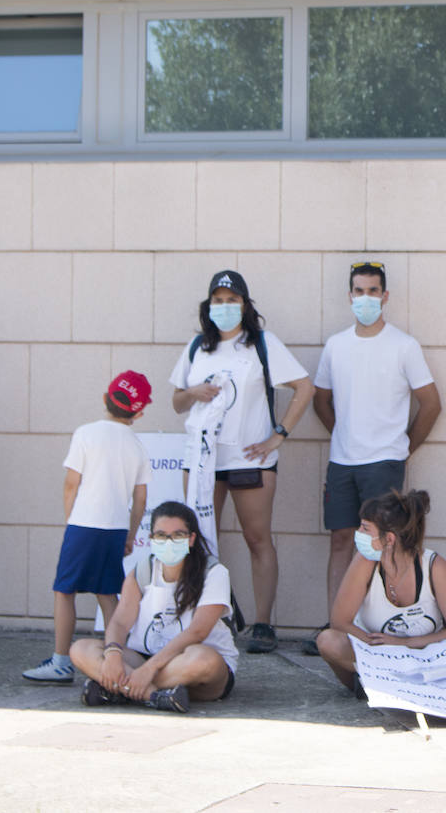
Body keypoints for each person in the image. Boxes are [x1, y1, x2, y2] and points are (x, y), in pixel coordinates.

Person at [169, 270, 313, 654]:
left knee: (256, 538)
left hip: (250, 458)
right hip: (202, 459)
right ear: (208, 305)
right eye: (218, 300)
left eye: (232, 300)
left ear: (245, 306)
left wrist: (278, 434)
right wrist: (193, 392)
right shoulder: (197, 346)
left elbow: (304, 387)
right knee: (199, 540)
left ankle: (263, 623)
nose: (225, 307)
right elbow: (176, 401)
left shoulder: (262, 344)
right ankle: (206, 617)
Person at [308, 262, 441, 652]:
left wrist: (403, 448)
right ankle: (338, 625)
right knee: (340, 542)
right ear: (349, 296)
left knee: (385, 544)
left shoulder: (404, 345)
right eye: (358, 291)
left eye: (373, 291)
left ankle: (384, 623)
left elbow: (431, 404)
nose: (365, 298)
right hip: (342, 461)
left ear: (385, 297)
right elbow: (321, 399)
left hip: (384, 462)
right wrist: (343, 435)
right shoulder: (336, 345)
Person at [23, 371, 153, 684]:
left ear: (106, 398)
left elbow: (71, 484)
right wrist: (131, 535)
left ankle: (61, 661)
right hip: (115, 529)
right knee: (108, 594)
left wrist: (71, 520)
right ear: (139, 412)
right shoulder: (137, 445)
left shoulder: (85, 433)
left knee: (64, 590)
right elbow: (140, 498)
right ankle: (114, 658)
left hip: (84, 524)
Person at [70, 501, 237, 713]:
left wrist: (149, 669)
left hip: (189, 666)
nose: (169, 542)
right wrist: (112, 654)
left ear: (191, 538)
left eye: (177, 535)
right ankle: (154, 695)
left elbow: (198, 631)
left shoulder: (214, 572)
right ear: (151, 539)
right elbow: (120, 622)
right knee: (81, 649)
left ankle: (118, 688)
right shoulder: (143, 570)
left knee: (204, 660)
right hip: (144, 658)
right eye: (161, 535)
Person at [316, 488, 446, 694]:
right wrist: (381, 647)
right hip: (376, 655)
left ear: (389, 539)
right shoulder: (364, 561)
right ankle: (365, 684)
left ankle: (415, 686)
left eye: (365, 529)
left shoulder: (433, 566)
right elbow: (340, 622)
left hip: (422, 658)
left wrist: (406, 643)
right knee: (328, 641)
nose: (358, 535)